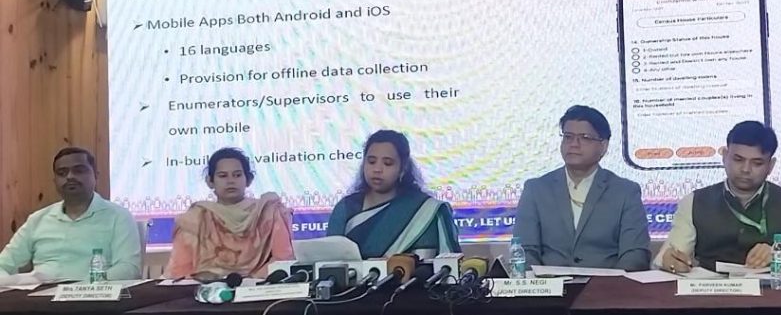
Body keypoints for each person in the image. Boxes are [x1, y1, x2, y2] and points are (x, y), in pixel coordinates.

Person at [654, 121, 781, 273]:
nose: (745, 169)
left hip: (773, 297)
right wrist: (669, 261)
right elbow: (665, 258)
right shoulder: (695, 201)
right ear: (725, 156)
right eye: (738, 159)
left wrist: (780, 258)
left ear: (770, 166)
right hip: (713, 295)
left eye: (757, 163)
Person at [514, 105, 651, 271]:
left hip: (607, 285)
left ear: (603, 146)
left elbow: (635, 254)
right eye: (568, 137)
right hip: (549, 285)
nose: (574, 144)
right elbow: (524, 251)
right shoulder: (536, 190)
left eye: (584, 138)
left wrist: (612, 285)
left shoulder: (625, 192)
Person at [0, 147, 141, 280]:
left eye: (79, 170)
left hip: (95, 293)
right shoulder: (37, 220)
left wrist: (81, 287)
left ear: (96, 176)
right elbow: (3, 264)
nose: (70, 177)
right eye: (62, 173)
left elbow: (128, 269)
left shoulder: (118, 217)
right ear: (55, 181)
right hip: (42, 293)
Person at [326, 130, 460, 259]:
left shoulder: (426, 211)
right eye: (371, 161)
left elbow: (448, 264)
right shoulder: (346, 208)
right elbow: (329, 261)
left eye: (387, 163)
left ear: (403, 168)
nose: (377, 169)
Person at [165, 147, 294, 280]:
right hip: (206, 288)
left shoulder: (269, 212)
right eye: (223, 176)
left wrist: (248, 281)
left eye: (237, 175)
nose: (230, 181)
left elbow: (283, 260)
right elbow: (180, 271)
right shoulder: (195, 219)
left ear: (249, 179)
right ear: (210, 181)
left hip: (260, 286)